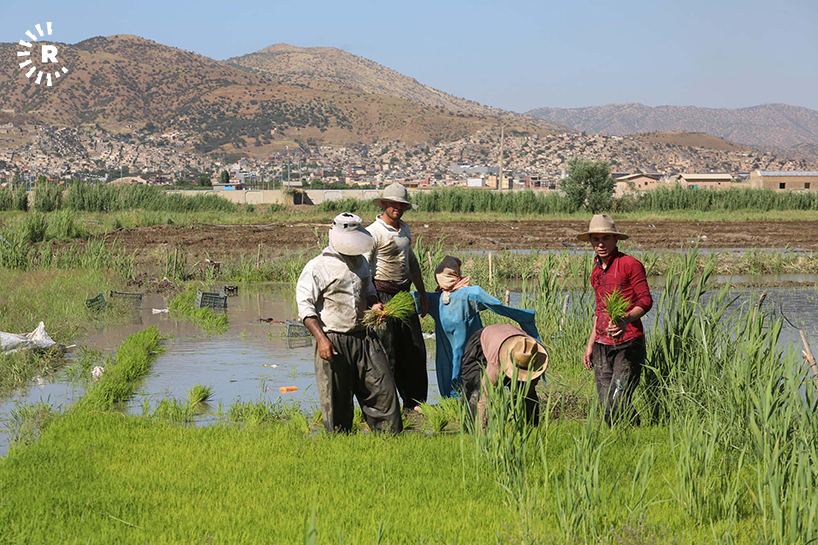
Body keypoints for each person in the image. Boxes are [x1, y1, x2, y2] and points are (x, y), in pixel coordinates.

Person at [297, 212, 402, 434]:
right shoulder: (318, 266)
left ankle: (389, 439)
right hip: (333, 339)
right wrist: (321, 340)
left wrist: (374, 305)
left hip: (364, 337)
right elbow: (305, 307)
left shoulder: (361, 262)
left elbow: (369, 290)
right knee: (337, 399)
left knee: (383, 391)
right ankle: (340, 441)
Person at [423, 256, 539, 398]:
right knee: (474, 374)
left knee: (449, 368)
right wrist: (524, 317)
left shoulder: (434, 299)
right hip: (473, 348)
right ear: (456, 276)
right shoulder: (469, 294)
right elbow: (496, 305)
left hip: (448, 352)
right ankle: (468, 400)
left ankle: (452, 399)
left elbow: (413, 298)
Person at [578, 214, 652, 425]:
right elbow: (599, 311)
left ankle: (634, 431)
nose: (601, 244)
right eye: (596, 239)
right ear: (590, 241)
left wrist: (625, 320)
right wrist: (590, 344)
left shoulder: (630, 264)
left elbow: (645, 300)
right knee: (605, 403)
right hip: (601, 344)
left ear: (616, 239)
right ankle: (621, 435)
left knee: (617, 397)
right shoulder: (595, 272)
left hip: (628, 343)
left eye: (606, 238)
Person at [366, 182, 428, 412]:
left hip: (403, 295)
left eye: (402, 205)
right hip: (381, 295)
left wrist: (422, 294)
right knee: (386, 351)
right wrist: (372, 301)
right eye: (394, 204)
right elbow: (364, 270)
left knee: (414, 348)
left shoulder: (405, 230)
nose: (398, 208)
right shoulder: (373, 232)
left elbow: (412, 262)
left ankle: (414, 403)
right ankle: (386, 405)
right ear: (384, 204)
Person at [460, 324, 548, 428]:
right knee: (476, 391)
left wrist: (514, 404)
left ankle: (531, 427)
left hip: (510, 338)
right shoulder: (495, 364)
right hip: (483, 342)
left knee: (527, 395)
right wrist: (481, 431)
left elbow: (528, 390)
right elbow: (484, 399)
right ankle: (471, 428)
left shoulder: (533, 352)